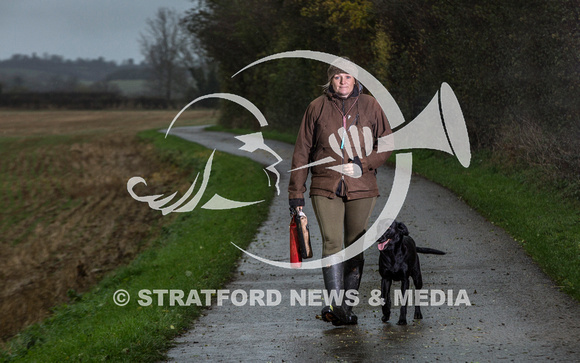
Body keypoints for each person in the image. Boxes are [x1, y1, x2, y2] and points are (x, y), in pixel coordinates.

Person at [288, 58, 392, 326]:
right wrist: (296, 194)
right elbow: (302, 152)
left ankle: (346, 306)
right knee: (332, 242)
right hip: (325, 185)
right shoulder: (316, 107)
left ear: (355, 80)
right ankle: (337, 307)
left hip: (363, 186)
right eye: (337, 77)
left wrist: (364, 163)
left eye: (348, 77)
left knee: (355, 243)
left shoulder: (370, 105)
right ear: (330, 80)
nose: (343, 81)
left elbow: (387, 144)